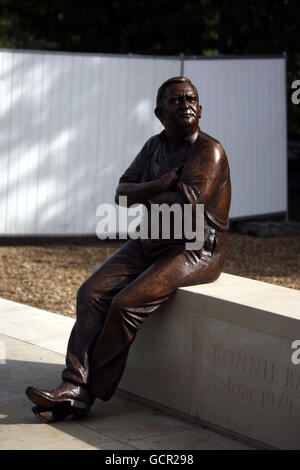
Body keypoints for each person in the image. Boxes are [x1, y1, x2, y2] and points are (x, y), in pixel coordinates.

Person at [26, 76, 231, 423]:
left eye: (191, 99)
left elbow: (181, 204)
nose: (185, 105)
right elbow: (120, 193)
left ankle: (82, 391)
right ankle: (73, 387)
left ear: (201, 108)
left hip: (194, 249)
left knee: (124, 303)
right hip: (150, 239)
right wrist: (160, 183)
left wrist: (146, 192)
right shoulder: (154, 146)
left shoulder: (208, 151)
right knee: (89, 292)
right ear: (158, 112)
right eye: (176, 101)